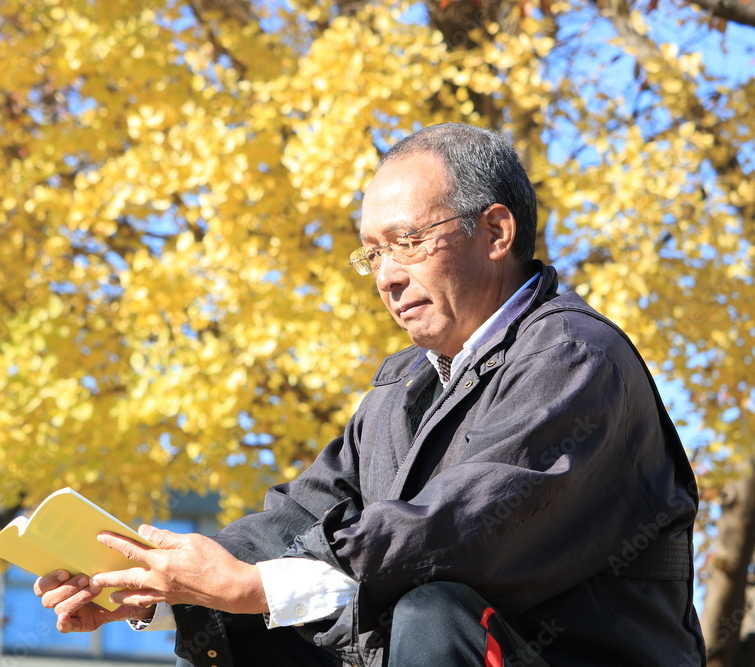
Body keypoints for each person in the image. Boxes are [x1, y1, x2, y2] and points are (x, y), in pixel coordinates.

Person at [34, 123, 706, 666]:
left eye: (407, 242)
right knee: (253, 623)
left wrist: (255, 585)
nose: (387, 276)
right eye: (373, 254)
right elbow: (301, 515)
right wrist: (156, 582)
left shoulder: (575, 357)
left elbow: (461, 531)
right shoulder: (405, 383)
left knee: (429, 611)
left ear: (497, 233)